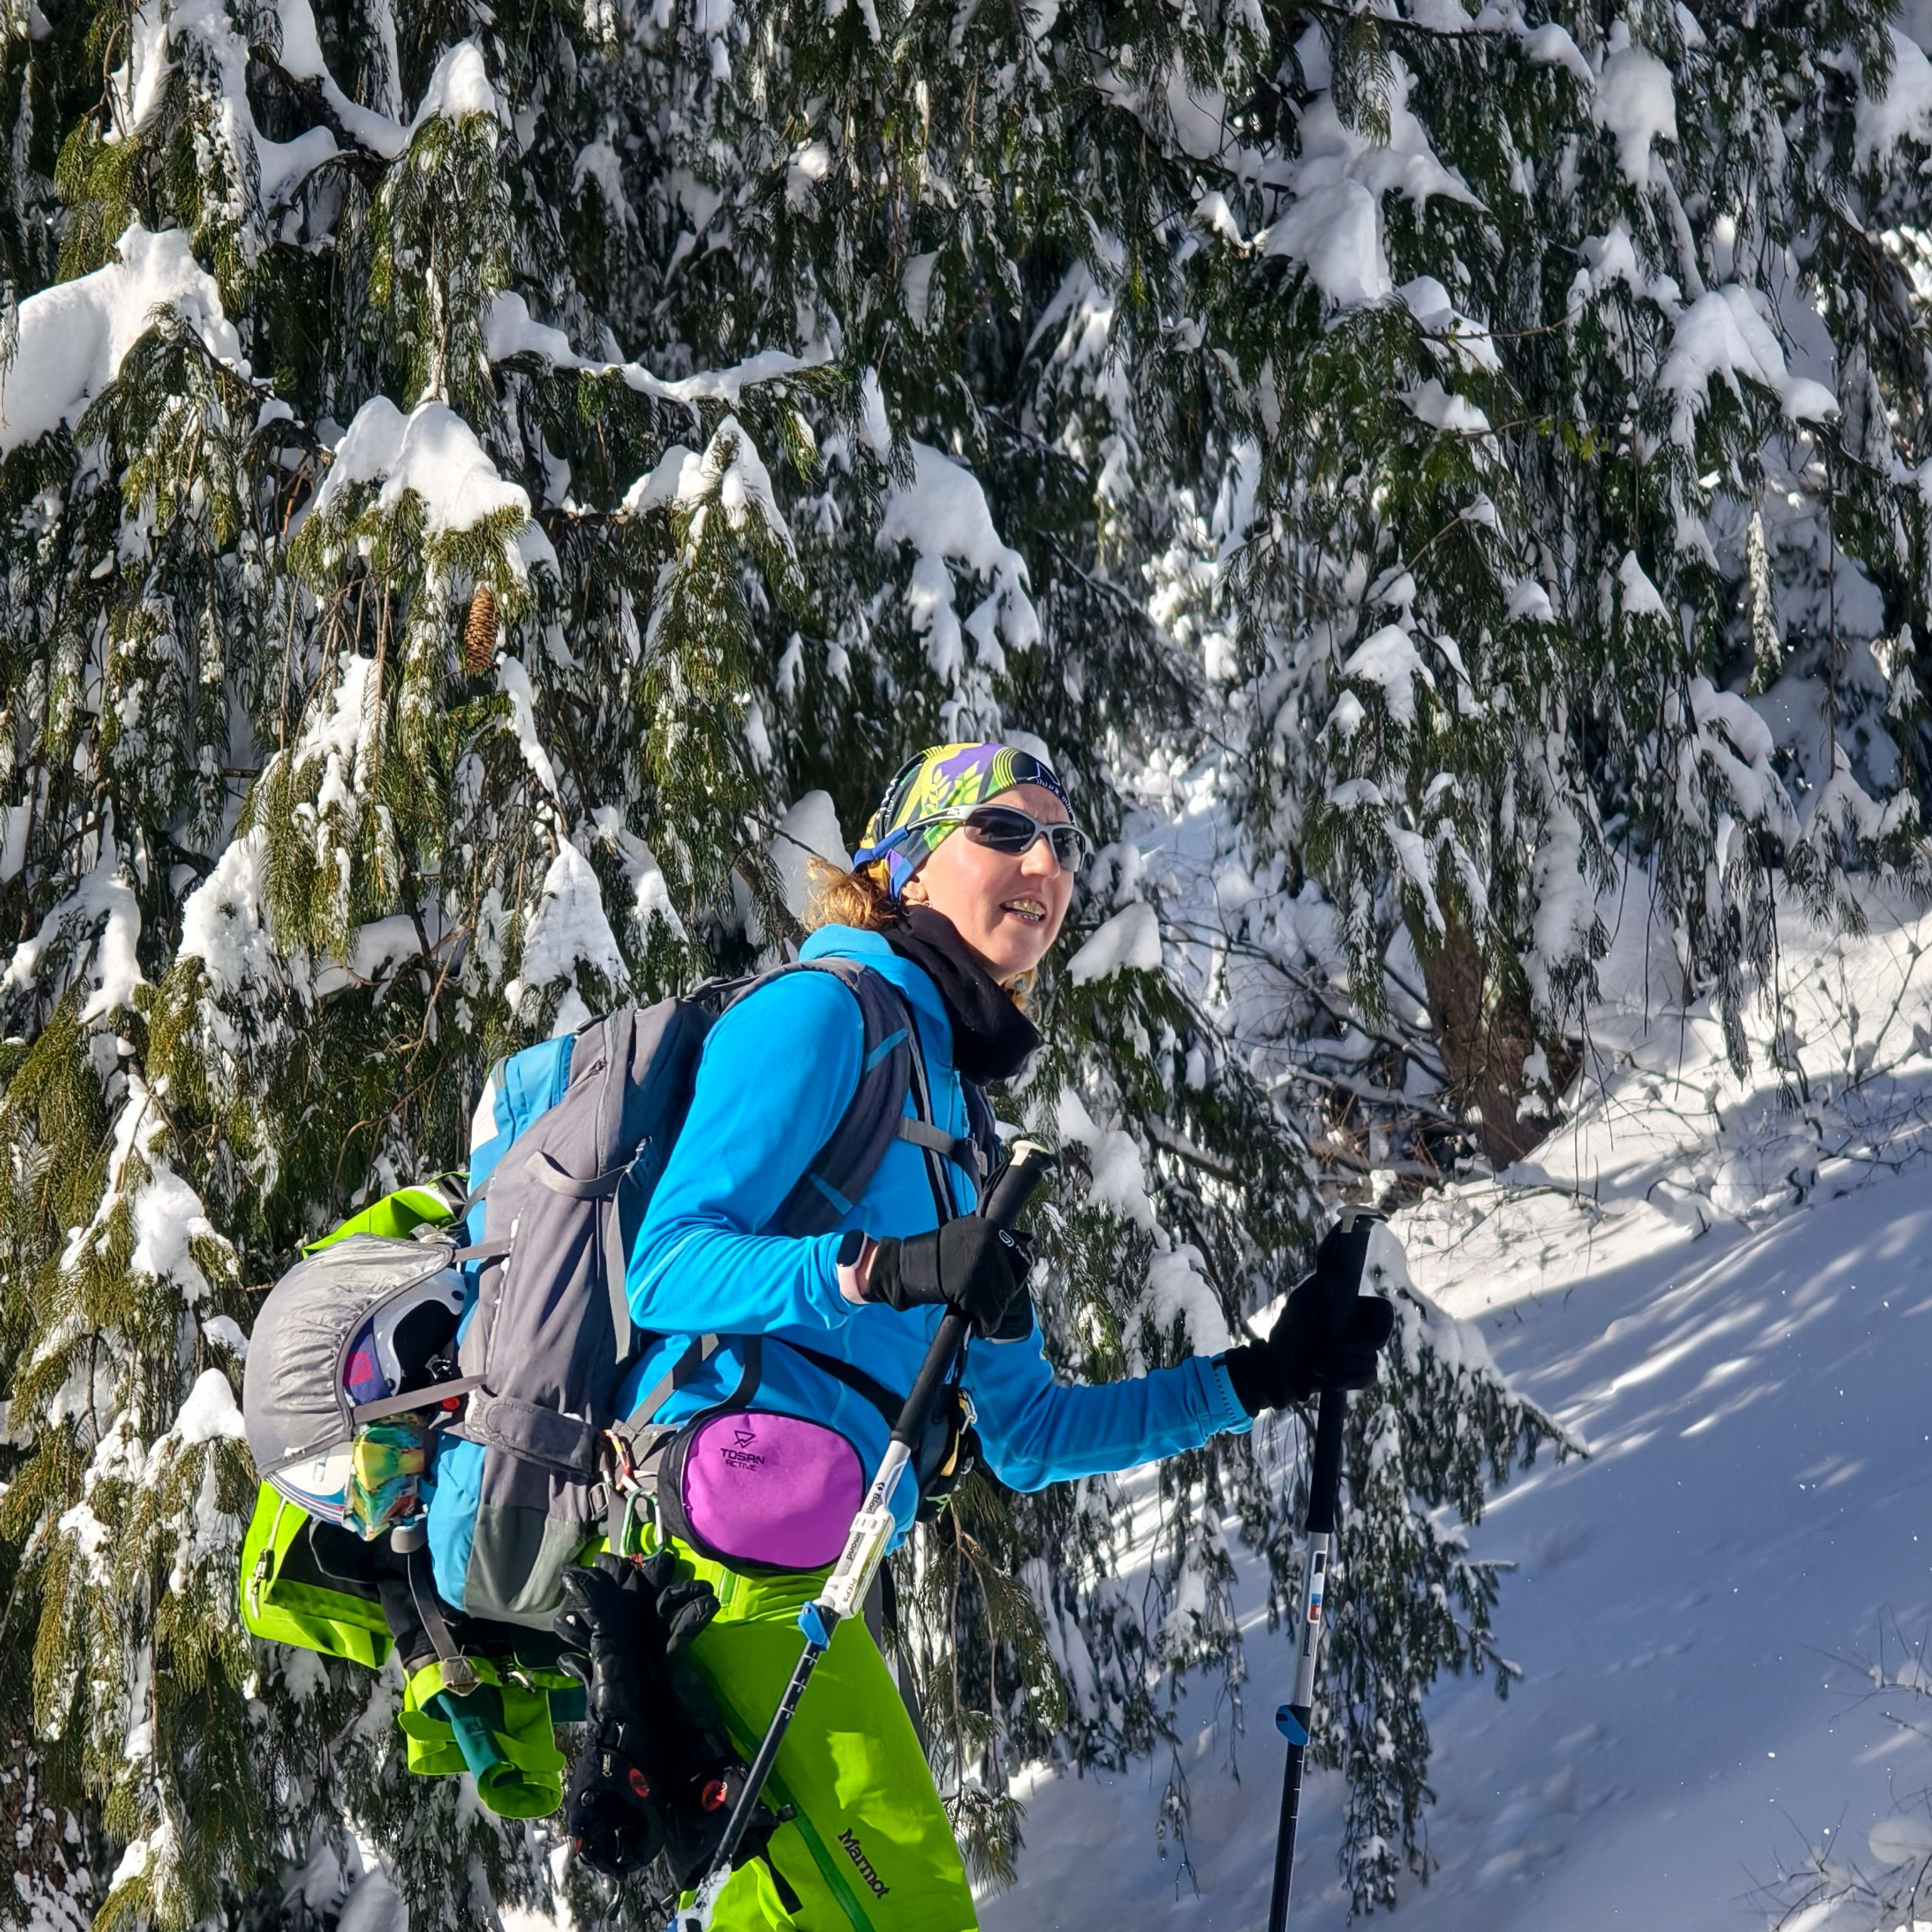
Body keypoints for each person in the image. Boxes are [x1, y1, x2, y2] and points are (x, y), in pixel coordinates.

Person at [618, 740, 1395, 1931]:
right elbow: (668, 1266)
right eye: (1003, 831)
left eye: (1064, 844)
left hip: (812, 1561)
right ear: (907, 868)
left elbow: (1027, 1436)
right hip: (724, 1557)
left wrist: (1260, 1375)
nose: (1045, 860)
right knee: (912, 1909)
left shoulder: (961, 1129)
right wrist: (880, 1270)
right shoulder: (824, 1013)